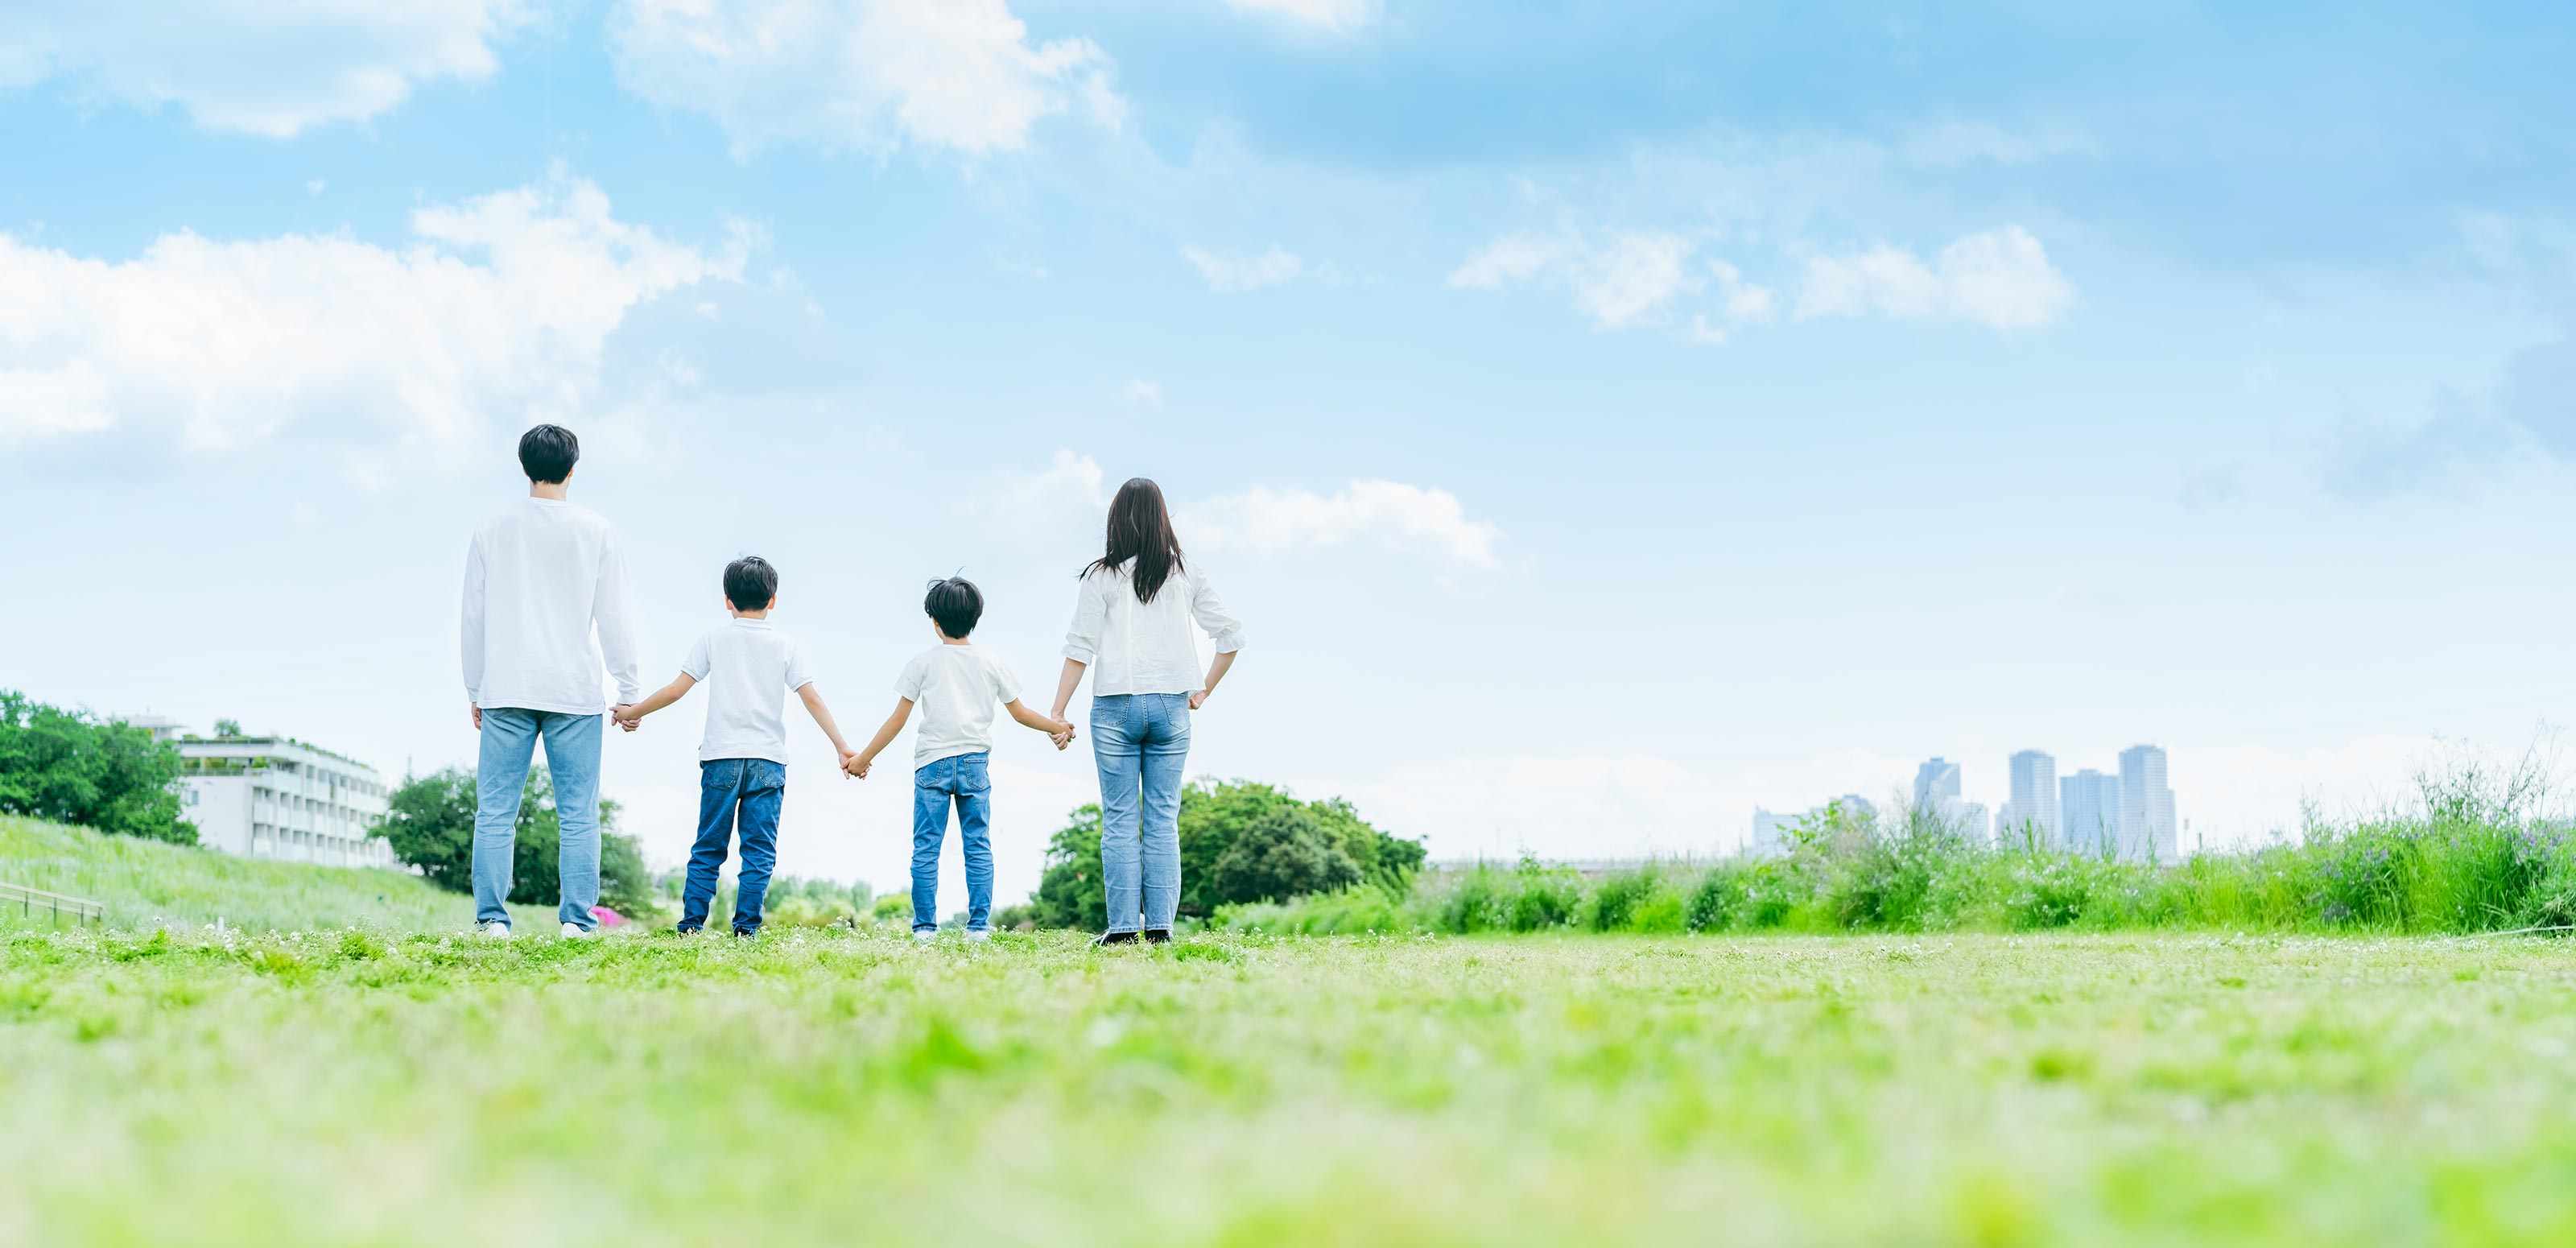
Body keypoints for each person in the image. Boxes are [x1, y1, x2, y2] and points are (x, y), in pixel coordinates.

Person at [459, 424, 642, 940]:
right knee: (579, 814)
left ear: (523, 466)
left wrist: (475, 687)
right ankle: (577, 924)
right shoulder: (596, 529)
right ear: (573, 468)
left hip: (507, 685)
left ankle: (493, 922)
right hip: (574, 690)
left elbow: (473, 616)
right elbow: (616, 618)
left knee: (495, 811)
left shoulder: (492, 527)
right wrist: (628, 692)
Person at [613, 556, 858, 936]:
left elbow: (677, 690)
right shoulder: (785, 645)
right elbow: (812, 699)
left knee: (708, 847)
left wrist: (634, 710)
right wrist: (842, 746)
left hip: (721, 758)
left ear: (727, 599)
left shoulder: (714, 639)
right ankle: (747, 930)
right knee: (758, 852)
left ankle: (691, 926)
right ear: (773, 600)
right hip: (767, 761)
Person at [1048, 479, 1245, 945]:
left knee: (1119, 817)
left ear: (1116, 520)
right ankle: (1159, 930)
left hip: (1115, 706)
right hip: (1172, 706)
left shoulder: (1101, 576)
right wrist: (1203, 692)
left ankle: (1120, 932)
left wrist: (1058, 711)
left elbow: (1080, 649)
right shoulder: (1187, 573)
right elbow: (1231, 636)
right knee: (1162, 818)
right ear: (1163, 518)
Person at [844, 576, 1073, 942]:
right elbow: (1022, 714)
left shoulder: (922, 663)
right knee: (978, 844)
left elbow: (898, 720)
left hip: (931, 764)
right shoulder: (992, 662)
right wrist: (1057, 726)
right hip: (973, 763)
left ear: (934, 621)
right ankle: (979, 928)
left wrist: (863, 759)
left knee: (926, 848)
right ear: (975, 618)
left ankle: (924, 929)